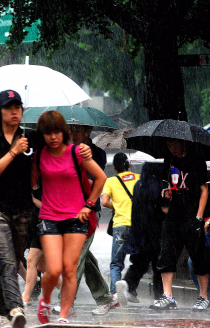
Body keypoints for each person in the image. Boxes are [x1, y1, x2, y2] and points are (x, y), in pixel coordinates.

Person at [33, 111, 106, 324]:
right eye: (48, 133)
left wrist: (89, 205)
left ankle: (63, 316)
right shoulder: (39, 156)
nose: (53, 137)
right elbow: (28, 183)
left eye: (57, 131)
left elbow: (101, 178)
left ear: (63, 132)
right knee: (53, 269)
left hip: (76, 218)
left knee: (69, 269)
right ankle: (45, 300)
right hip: (49, 217)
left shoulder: (77, 153)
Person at [0, 89, 42, 328]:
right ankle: (16, 308)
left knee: (13, 262)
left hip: (24, 210)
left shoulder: (32, 137)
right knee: (6, 261)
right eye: (8, 108)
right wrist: (14, 151)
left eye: (17, 107)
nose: (14, 111)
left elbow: (52, 155)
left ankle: (1, 307)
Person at [53, 124, 115, 316]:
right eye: (71, 130)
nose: (74, 134)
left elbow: (95, 182)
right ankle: (105, 298)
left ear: (88, 132)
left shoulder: (96, 153)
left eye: (78, 130)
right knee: (84, 259)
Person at [153, 138, 210, 311]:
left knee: (199, 256)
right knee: (166, 254)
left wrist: (199, 217)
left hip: (192, 215)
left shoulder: (196, 160)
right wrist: (167, 192)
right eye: (169, 144)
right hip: (173, 216)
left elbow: (204, 190)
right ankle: (168, 296)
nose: (172, 148)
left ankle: (204, 297)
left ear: (184, 143)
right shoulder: (169, 159)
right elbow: (169, 184)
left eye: (175, 144)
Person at [115, 162, 165, 306]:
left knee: (139, 263)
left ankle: (127, 284)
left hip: (139, 231)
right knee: (158, 265)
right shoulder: (159, 186)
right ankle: (159, 296)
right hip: (156, 232)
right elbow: (163, 209)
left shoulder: (139, 185)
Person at [101, 152, 140, 304]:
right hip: (137, 226)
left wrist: (116, 206)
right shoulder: (138, 178)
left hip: (120, 225)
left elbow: (104, 202)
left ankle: (115, 295)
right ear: (129, 165)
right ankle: (131, 289)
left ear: (114, 167)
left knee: (116, 263)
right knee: (138, 261)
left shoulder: (111, 181)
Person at [188, 180, 210, 306]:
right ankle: (208, 296)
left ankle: (208, 296)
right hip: (195, 230)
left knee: (195, 261)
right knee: (200, 261)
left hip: (208, 230)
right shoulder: (191, 187)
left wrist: (207, 224)